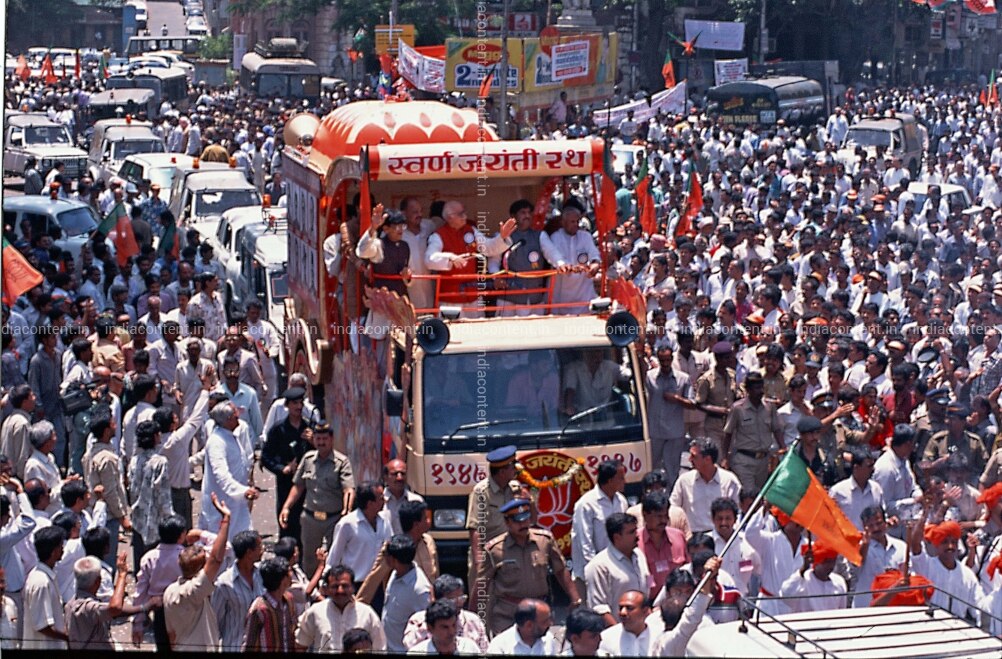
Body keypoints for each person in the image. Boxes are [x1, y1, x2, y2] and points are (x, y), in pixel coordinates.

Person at [480, 499, 579, 634]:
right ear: (507, 522)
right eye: (517, 521)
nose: (523, 524)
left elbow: (560, 570)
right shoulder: (494, 550)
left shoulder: (544, 541)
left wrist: (575, 598)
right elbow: (482, 584)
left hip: (538, 613)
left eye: (526, 519)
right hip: (507, 614)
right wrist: (473, 616)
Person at [279, 421, 355, 575]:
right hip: (311, 519)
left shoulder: (342, 462)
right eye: (318, 439)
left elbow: (348, 489)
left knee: (335, 559)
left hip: (333, 519)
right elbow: (298, 486)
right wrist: (286, 507)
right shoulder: (308, 459)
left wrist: (347, 510)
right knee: (309, 560)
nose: (321, 442)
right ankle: (309, 587)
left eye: (324, 439)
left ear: (331, 439)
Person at [163, 493, 231, 651]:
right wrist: (226, 520)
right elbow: (216, 559)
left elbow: (171, 634)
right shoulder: (194, 591)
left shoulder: (169, 591)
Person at [424, 201, 515, 312]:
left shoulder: (471, 230)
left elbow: (488, 248)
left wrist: (502, 237)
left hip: (472, 297)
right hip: (450, 299)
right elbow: (429, 259)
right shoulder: (438, 235)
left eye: (464, 213)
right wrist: (450, 257)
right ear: (450, 217)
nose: (465, 216)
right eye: (460, 214)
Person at [466, 445, 525, 611]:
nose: (516, 469)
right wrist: (479, 562)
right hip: (488, 558)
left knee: (510, 605)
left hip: (511, 554)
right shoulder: (481, 492)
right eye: (512, 466)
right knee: (483, 607)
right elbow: (475, 528)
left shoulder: (515, 488)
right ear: (502, 472)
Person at [488, 199, 562, 316]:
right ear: (513, 216)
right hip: (509, 299)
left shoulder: (540, 236)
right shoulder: (502, 237)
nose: (527, 216)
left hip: (535, 297)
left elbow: (553, 254)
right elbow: (493, 262)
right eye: (523, 213)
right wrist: (496, 278)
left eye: (529, 213)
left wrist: (562, 264)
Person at [358, 499, 439, 605]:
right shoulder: (393, 549)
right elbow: (374, 578)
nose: (428, 521)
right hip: (401, 606)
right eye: (425, 518)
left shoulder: (428, 542)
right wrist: (357, 606)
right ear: (416, 524)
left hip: (427, 604)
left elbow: (436, 575)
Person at [571, 459, 628, 604]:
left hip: (616, 570)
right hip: (590, 574)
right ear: (609, 481)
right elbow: (585, 543)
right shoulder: (586, 504)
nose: (625, 481)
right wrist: (597, 571)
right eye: (621, 478)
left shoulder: (621, 501)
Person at [64, 553, 148, 649]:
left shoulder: (69, 605)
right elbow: (115, 608)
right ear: (97, 581)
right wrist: (122, 575)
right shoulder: (88, 607)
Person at [262, 386, 313, 544]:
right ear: (287, 406)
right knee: (287, 524)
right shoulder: (278, 430)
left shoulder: (310, 428)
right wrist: (282, 469)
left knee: (307, 528)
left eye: (301, 403)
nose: (299, 407)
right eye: (295, 403)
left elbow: (324, 452)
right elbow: (266, 457)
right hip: (286, 483)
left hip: (308, 484)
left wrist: (314, 441)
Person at [295, 564, 387, 652]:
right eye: (335, 586)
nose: (340, 590)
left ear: (353, 588)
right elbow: (301, 645)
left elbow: (380, 648)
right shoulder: (315, 612)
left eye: (345, 586)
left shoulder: (367, 614)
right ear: (327, 589)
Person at [200, 401, 257, 536]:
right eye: (235, 415)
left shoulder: (231, 436)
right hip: (222, 502)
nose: (238, 417)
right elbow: (221, 475)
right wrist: (242, 490)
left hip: (236, 502)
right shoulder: (217, 442)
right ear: (228, 420)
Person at [585, 512, 651, 627]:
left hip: (643, 629)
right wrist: (618, 632)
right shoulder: (599, 566)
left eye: (636, 530)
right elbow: (599, 608)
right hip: (617, 630)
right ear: (617, 537)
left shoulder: (639, 555)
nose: (637, 535)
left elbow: (647, 585)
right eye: (631, 532)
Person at [721, 371, 786, 488]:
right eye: (756, 388)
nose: (760, 391)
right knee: (748, 494)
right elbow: (728, 434)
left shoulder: (769, 407)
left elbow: (776, 429)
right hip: (744, 460)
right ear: (748, 390)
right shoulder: (738, 409)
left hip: (764, 461)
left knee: (760, 495)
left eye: (761, 388)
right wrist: (725, 458)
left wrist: (783, 447)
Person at [670, 438, 742, 534]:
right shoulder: (684, 481)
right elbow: (673, 508)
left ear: (707, 459)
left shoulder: (729, 480)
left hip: (721, 535)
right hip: (693, 537)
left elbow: (739, 511)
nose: (689, 459)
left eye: (694, 456)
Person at [128, 420, 175, 568]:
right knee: (155, 565)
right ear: (155, 436)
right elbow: (163, 494)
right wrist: (170, 517)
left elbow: (132, 488)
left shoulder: (134, 461)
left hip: (138, 518)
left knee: (140, 564)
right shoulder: (160, 462)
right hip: (155, 521)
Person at [326, 481, 392, 584]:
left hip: (380, 584)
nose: (385, 500)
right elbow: (334, 557)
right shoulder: (347, 524)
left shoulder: (385, 520)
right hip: (355, 584)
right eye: (381, 498)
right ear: (370, 503)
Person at [401, 574, 488, 652]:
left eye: (461, 598)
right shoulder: (418, 622)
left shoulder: (473, 621)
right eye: (453, 600)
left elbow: (484, 650)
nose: (458, 603)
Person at [646, 344, 694, 482]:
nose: (665, 364)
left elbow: (692, 403)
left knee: (672, 470)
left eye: (668, 360)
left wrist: (677, 399)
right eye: (662, 361)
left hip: (674, 433)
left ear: (672, 359)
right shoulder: (650, 376)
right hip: (655, 432)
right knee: (652, 468)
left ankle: (671, 494)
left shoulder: (683, 378)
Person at [212, 530, 264, 652]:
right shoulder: (224, 583)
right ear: (249, 553)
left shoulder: (262, 575)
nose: (263, 550)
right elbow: (215, 621)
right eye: (259, 547)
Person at [547, 201, 601, 315]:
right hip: (562, 292)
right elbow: (557, 258)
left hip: (583, 291)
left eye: (577, 221)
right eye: (572, 222)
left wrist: (595, 263)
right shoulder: (556, 237)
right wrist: (569, 267)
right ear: (563, 223)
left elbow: (594, 254)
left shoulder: (585, 236)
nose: (576, 224)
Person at [382, 534, 432, 652]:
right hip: (388, 647)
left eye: (386, 554)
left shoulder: (420, 590)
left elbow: (426, 627)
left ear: (393, 560)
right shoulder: (395, 573)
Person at [22, 526, 68, 649]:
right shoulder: (41, 582)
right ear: (54, 552)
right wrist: (68, 637)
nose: (63, 549)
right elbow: (43, 626)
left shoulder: (46, 576)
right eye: (60, 546)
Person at [854, 505, 907, 607]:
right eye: (871, 525)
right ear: (864, 527)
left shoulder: (901, 546)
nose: (876, 528)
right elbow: (857, 563)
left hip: (895, 606)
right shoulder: (858, 548)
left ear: (885, 522)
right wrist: (865, 544)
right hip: (866, 607)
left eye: (879, 523)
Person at [638, 492, 688, 601]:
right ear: (645, 515)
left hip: (678, 601)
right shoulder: (635, 542)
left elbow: (688, 569)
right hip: (648, 603)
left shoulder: (678, 537)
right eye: (658, 516)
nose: (663, 520)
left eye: (666, 516)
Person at [241, 557, 297, 652]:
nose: (292, 575)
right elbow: (249, 644)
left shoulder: (288, 601)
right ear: (282, 579)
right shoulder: (259, 609)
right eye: (289, 572)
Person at [709, 497, 761, 596]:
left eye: (728, 518)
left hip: (742, 599)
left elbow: (759, 569)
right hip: (716, 600)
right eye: (720, 518)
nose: (724, 523)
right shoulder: (707, 542)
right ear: (713, 519)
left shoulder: (747, 541)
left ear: (735, 519)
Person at [778, 540, 849, 613]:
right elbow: (785, 595)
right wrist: (804, 568)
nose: (830, 566)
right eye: (826, 562)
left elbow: (842, 612)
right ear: (816, 562)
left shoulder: (839, 581)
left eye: (833, 561)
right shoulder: (803, 579)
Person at [406, 599, 480, 655]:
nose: (451, 632)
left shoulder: (470, 648)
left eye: (454, 625)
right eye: (445, 627)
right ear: (430, 628)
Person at [486, 598, 557, 655]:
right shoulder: (500, 646)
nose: (550, 624)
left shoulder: (549, 639)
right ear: (529, 625)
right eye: (545, 622)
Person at [598, 590, 659, 656]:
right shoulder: (606, 638)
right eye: (621, 608)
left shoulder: (659, 637)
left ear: (645, 611)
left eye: (629, 608)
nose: (623, 612)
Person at [0, 385, 35, 479]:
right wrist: (25, 479)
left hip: (7, 474)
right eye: (32, 396)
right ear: (24, 402)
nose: (34, 398)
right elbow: (22, 456)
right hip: (17, 477)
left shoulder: (8, 420)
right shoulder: (22, 423)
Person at [382, 458, 424, 535]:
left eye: (403, 473)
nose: (400, 478)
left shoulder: (416, 500)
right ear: (385, 477)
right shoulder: (378, 502)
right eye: (395, 474)